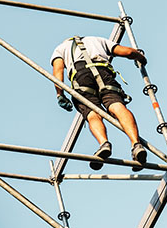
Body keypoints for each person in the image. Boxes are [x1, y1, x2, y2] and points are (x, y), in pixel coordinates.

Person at [51, 35, 148, 170]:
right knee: (117, 106)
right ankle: (136, 144)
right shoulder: (96, 40)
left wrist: (60, 94)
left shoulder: (61, 48)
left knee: (92, 114)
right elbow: (128, 52)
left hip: (81, 78)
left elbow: (58, 71)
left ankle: (104, 144)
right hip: (104, 73)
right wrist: (140, 57)